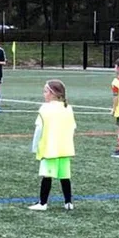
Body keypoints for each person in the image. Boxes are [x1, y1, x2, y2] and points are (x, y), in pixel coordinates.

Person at [28, 79, 76, 211]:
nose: (44, 94)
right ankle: (68, 202)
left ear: (52, 93)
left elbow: (39, 129)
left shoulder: (45, 108)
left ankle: (42, 203)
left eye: (45, 91)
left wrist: (35, 146)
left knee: (47, 175)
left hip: (50, 148)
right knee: (65, 175)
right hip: (65, 148)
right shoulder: (68, 108)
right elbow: (73, 127)